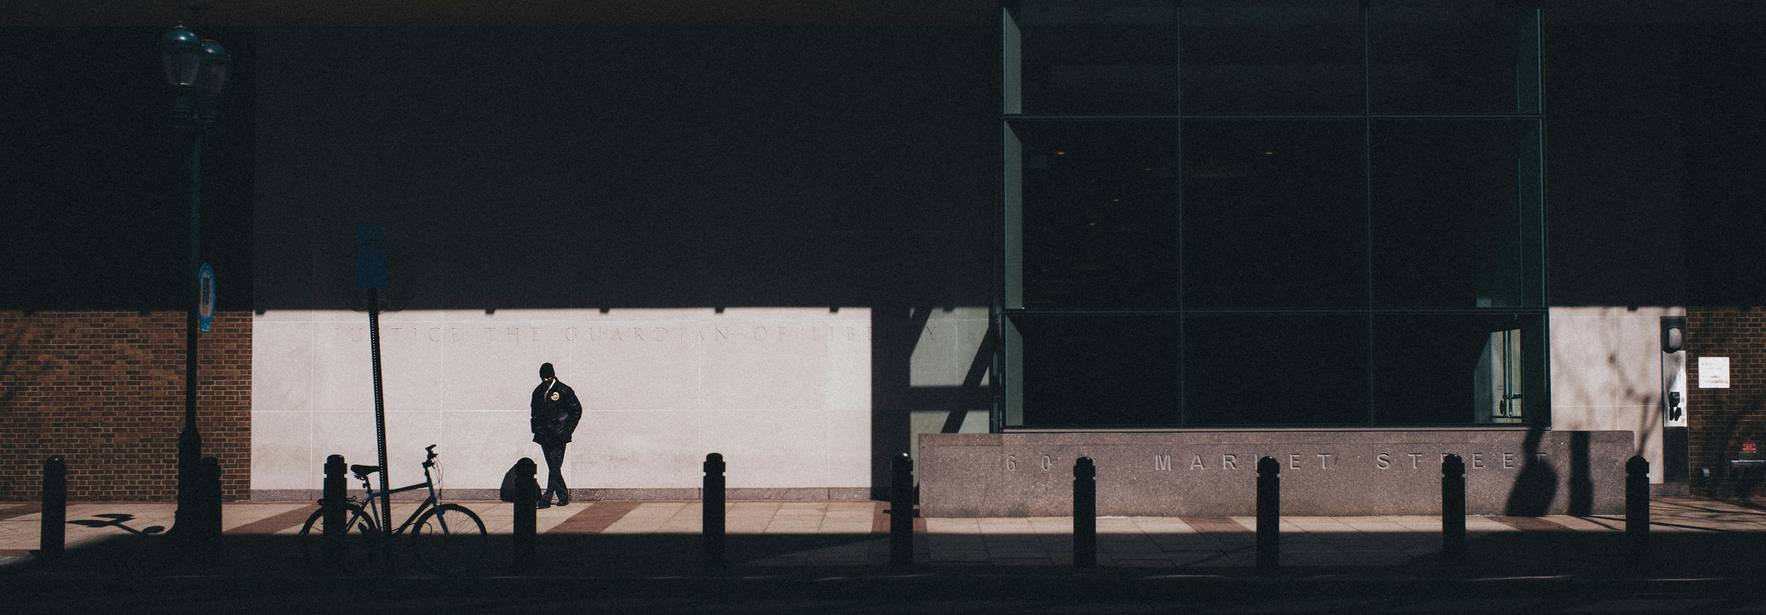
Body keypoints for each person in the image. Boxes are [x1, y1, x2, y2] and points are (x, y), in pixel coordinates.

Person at [529, 362, 582, 508]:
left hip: (559, 435)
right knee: (554, 467)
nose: (545, 380)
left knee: (554, 467)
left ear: (553, 375)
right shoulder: (538, 392)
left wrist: (567, 430)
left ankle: (546, 499)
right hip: (544, 435)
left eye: (548, 377)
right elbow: (534, 414)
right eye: (543, 377)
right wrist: (536, 430)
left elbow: (576, 410)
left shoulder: (564, 390)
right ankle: (563, 496)